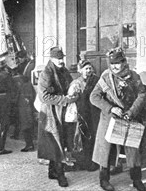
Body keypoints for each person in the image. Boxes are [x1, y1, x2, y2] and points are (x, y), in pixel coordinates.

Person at [90, 48, 146, 191]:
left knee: (133, 150)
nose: (114, 66)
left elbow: (142, 94)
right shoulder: (106, 77)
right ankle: (104, 180)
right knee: (106, 151)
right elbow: (94, 97)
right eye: (112, 63)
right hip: (110, 119)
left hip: (130, 118)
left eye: (118, 63)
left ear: (124, 62)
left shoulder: (134, 76)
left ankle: (137, 180)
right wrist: (110, 108)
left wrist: (132, 112)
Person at [37, 47, 77, 187]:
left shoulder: (63, 70)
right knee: (56, 143)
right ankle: (61, 175)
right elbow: (44, 96)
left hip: (62, 112)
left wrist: (74, 90)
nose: (61, 61)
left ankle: (52, 171)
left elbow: (70, 83)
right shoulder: (46, 73)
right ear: (52, 59)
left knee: (59, 142)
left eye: (62, 58)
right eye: (58, 58)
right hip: (50, 113)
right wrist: (65, 99)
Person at [63, 60, 100, 171]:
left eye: (90, 68)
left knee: (93, 136)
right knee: (81, 138)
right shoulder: (76, 83)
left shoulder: (96, 81)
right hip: (81, 113)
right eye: (86, 68)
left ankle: (93, 161)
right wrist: (74, 94)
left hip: (93, 113)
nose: (88, 70)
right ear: (80, 70)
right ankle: (83, 162)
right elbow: (70, 97)